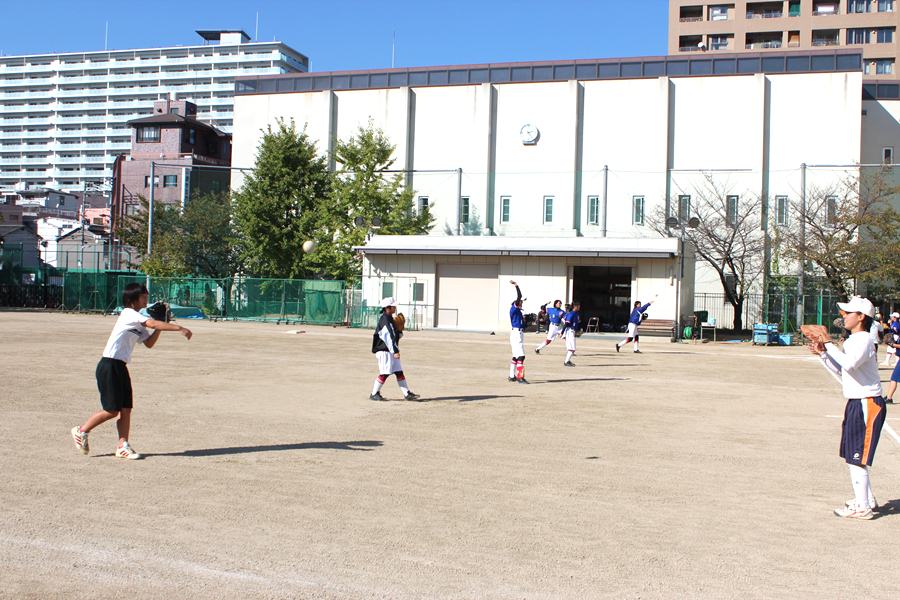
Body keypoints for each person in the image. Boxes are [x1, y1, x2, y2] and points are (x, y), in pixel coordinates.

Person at [70, 283, 192, 460]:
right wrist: (178, 328)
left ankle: (122, 446)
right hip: (109, 365)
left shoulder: (138, 322)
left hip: (120, 367)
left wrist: (161, 326)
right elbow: (151, 322)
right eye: (143, 296)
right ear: (132, 299)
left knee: (126, 409)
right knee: (112, 410)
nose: (146, 299)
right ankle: (82, 431)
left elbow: (149, 343)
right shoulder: (128, 313)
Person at [807, 296, 886, 520]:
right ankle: (866, 499)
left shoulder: (864, 339)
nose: (844, 317)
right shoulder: (853, 340)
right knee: (852, 454)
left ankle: (862, 507)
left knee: (856, 457)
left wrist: (828, 343)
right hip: (856, 401)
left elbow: (849, 364)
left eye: (848, 313)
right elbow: (844, 372)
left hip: (867, 402)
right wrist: (823, 353)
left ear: (861, 317)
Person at [370, 297, 420, 401]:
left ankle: (407, 394)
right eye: (393, 306)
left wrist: (399, 332)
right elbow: (388, 337)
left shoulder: (390, 319)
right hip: (384, 351)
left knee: (398, 371)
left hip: (390, 350)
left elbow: (395, 335)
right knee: (385, 373)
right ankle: (374, 393)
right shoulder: (385, 320)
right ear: (387, 308)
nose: (395, 307)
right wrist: (395, 351)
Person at [508, 281, 529, 384]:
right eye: (520, 302)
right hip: (516, 334)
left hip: (518, 333)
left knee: (516, 356)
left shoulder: (518, 312)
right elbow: (519, 296)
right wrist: (516, 286)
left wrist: (527, 322)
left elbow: (523, 325)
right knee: (521, 356)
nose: (521, 303)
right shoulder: (514, 309)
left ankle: (512, 376)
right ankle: (520, 377)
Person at [562, 302, 581, 367]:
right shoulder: (571, 313)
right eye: (578, 306)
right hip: (569, 331)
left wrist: (577, 331)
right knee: (572, 348)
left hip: (572, 331)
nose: (579, 307)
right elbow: (566, 323)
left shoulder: (576, 314)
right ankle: (566, 361)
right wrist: (562, 332)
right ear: (575, 306)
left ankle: (568, 361)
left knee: (572, 348)